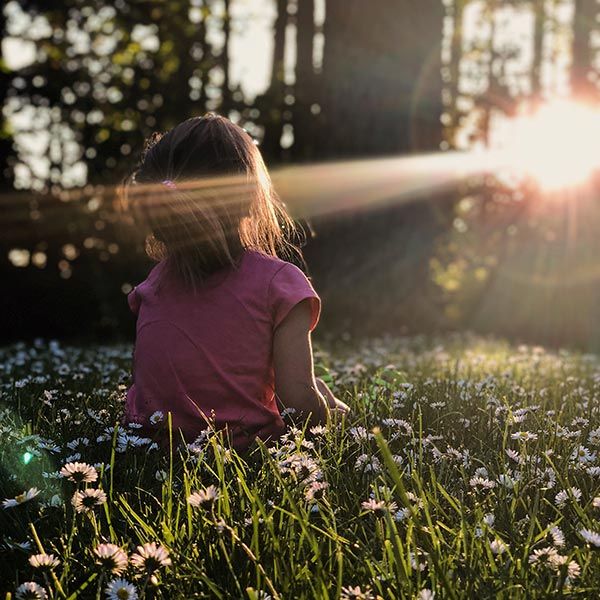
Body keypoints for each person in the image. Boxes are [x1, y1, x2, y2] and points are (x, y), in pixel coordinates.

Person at [122, 114, 349, 450]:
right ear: (248, 198)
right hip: (244, 451)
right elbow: (298, 406)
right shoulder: (280, 284)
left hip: (150, 446)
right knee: (318, 394)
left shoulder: (152, 285)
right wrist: (333, 415)